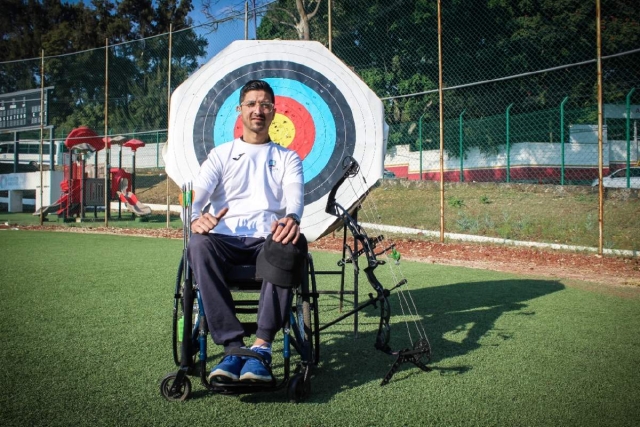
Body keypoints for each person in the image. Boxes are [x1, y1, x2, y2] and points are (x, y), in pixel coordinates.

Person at [187, 79, 306, 384]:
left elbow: (294, 195)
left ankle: (262, 348)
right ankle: (233, 347)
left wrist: (291, 217)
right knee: (197, 244)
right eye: (251, 104)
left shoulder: (287, 157)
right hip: (224, 240)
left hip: (268, 241)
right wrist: (196, 217)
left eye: (265, 104)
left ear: (273, 111)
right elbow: (197, 197)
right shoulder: (221, 155)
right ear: (239, 110)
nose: (258, 110)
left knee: (290, 242)